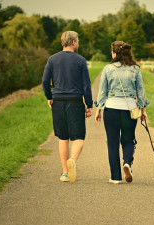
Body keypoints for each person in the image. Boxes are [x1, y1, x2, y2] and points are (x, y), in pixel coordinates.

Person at [95, 41, 150, 184]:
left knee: (112, 143)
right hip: (130, 109)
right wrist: (143, 110)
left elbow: (102, 92)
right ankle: (127, 163)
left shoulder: (108, 69)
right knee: (129, 139)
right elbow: (141, 92)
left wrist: (98, 110)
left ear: (114, 53)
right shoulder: (135, 69)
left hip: (111, 109)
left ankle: (115, 177)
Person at [42, 31, 93, 183]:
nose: (78, 43)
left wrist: (49, 97)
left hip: (58, 101)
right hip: (75, 102)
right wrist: (89, 104)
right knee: (78, 138)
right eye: (77, 41)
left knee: (63, 138)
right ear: (73, 42)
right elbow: (86, 85)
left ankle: (65, 172)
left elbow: (45, 81)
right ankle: (73, 160)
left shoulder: (52, 59)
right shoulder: (81, 60)